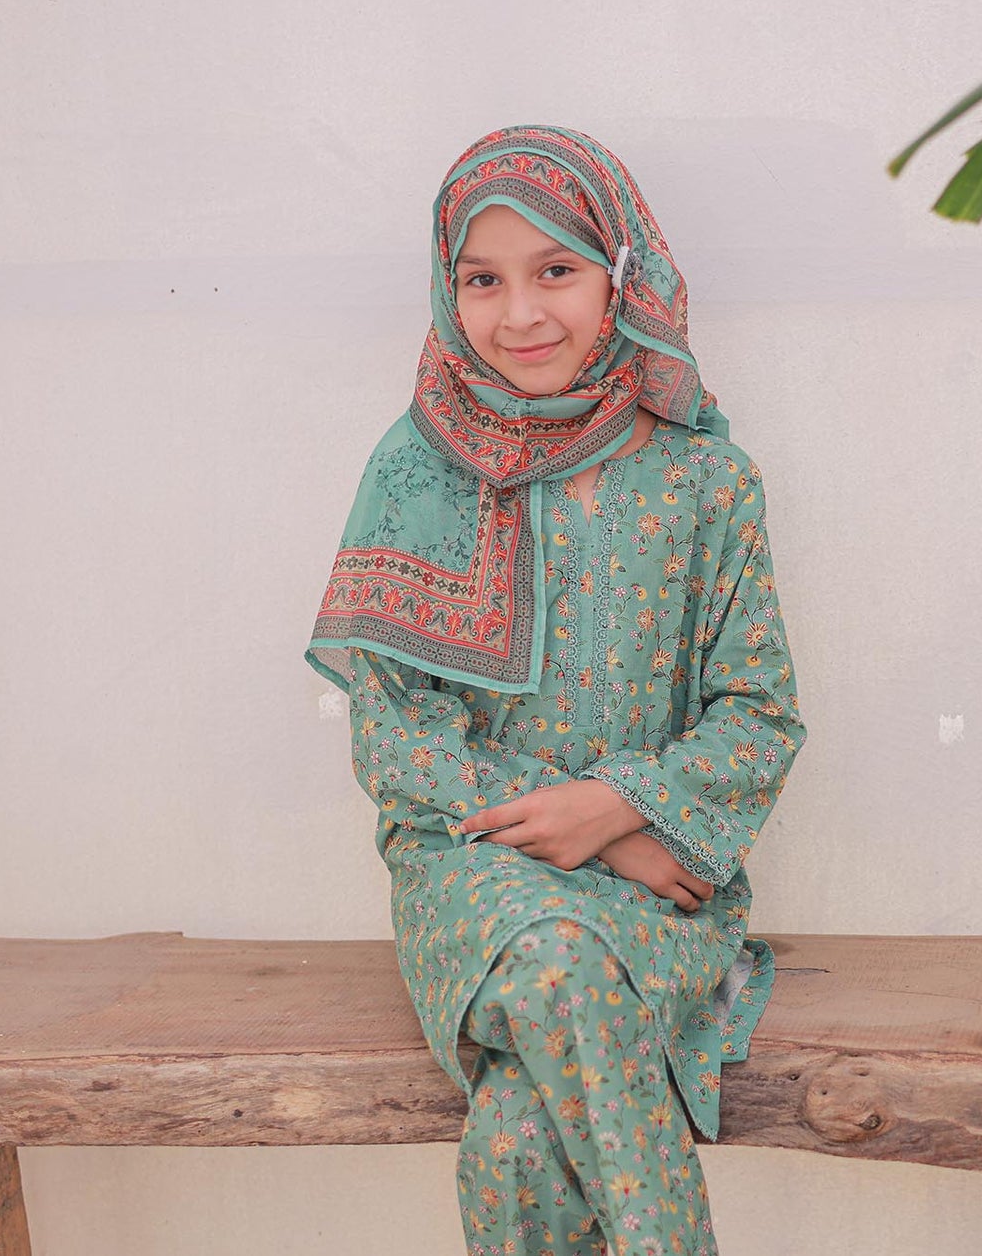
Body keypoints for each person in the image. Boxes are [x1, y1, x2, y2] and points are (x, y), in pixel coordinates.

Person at [305, 124, 808, 1256]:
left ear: (619, 275)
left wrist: (622, 810)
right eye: (481, 279)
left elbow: (758, 713)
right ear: (447, 289)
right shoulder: (415, 471)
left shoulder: (704, 479)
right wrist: (586, 831)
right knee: (550, 961)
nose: (520, 315)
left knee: (525, 1132)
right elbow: (395, 736)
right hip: (468, 870)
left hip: (665, 878)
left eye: (556, 271)